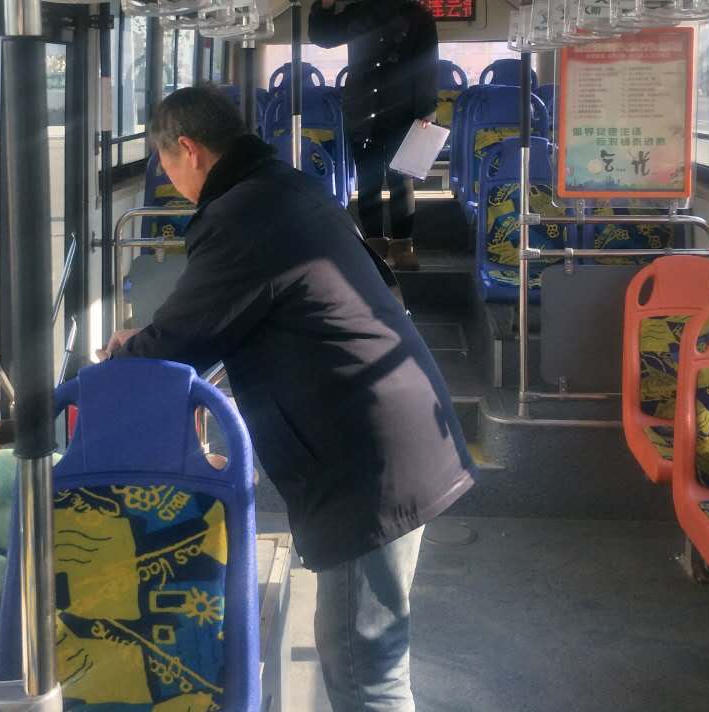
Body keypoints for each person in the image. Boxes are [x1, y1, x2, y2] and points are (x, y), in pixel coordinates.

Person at [104, 85, 474, 712]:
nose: (167, 179)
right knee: (362, 654)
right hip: (387, 434)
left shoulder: (241, 217)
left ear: (188, 149)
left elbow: (187, 337)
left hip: (367, 461)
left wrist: (121, 358)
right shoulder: (280, 186)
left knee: (365, 668)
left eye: (163, 162)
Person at [309, 0, 439, 271]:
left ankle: (403, 245)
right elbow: (324, 37)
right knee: (368, 182)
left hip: (402, 107)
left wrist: (426, 108)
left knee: (400, 180)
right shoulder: (358, 12)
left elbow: (427, 64)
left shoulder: (417, 16)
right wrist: (325, 7)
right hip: (363, 107)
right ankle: (375, 244)